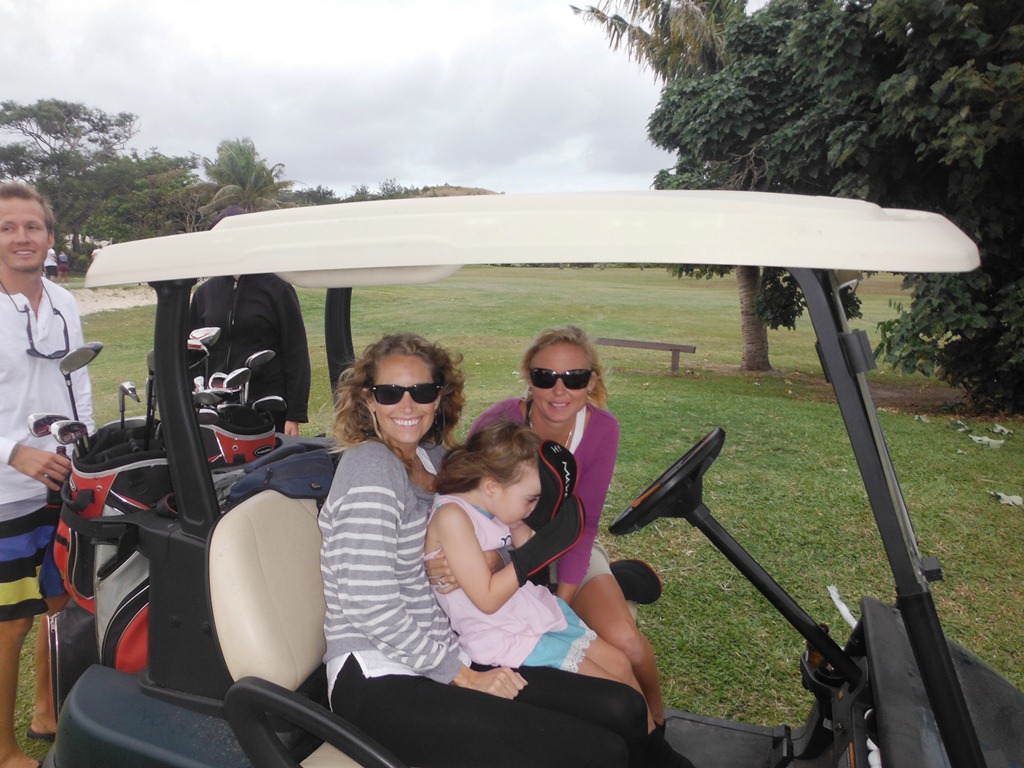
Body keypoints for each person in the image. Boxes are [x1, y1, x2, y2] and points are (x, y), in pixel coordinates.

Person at [320, 332, 649, 768]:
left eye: (421, 391)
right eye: (390, 392)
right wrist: (463, 676)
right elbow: (369, 604)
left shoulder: (434, 460)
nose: (407, 405)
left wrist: (493, 558)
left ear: (439, 397)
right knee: (601, 752)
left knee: (622, 707)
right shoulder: (370, 468)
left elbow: (494, 529)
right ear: (369, 399)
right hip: (382, 675)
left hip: (451, 648)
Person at [427, 421, 693, 767]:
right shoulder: (452, 517)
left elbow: (521, 552)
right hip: (502, 636)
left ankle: (657, 751)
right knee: (618, 699)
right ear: (491, 486)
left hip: (530, 614)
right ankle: (646, 757)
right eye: (530, 499)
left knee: (619, 663)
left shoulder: (496, 505)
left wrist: (527, 522)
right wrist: (536, 550)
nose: (532, 506)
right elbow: (488, 599)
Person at [470, 325, 676, 738]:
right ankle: (623, 578)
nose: (559, 390)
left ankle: (657, 721)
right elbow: (465, 497)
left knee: (628, 644)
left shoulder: (602, 430)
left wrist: (559, 609)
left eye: (575, 378)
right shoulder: (498, 421)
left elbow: (585, 526)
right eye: (545, 377)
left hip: (569, 547)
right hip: (505, 551)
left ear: (592, 382)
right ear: (529, 378)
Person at [0, 182, 93, 768]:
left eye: (31, 226)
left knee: (60, 605)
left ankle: (45, 710)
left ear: (50, 236)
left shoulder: (62, 302)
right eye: (7, 227)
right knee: (11, 625)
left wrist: (87, 450)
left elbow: (76, 381)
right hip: (5, 493)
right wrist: (14, 452)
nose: (21, 237)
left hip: (60, 480)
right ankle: (3, 749)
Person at [187, 206, 310, 436]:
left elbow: (296, 353)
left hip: (267, 402)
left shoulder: (277, 289)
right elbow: (192, 353)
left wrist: (294, 413)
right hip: (218, 401)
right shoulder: (205, 293)